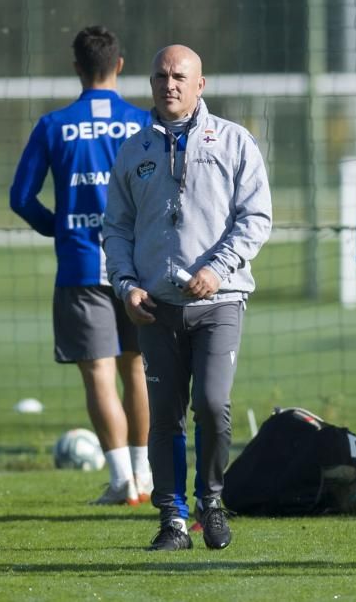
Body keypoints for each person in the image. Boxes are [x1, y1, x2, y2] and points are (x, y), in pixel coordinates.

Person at [102, 44, 272, 551]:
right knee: (165, 417)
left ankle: (211, 502)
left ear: (201, 85)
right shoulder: (134, 150)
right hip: (156, 308)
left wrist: (218, 270)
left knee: (214, 405)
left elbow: (256, 218)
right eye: (160, 76)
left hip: (220, 302)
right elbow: (116, 228)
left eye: (179, 76)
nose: (168, 84)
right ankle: (173, 519)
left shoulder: (235, 142)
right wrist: (127, 286)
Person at [10, 26, 153, 505]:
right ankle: (146, 476)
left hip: (82, 265)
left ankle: (120, 483)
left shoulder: (55, 126)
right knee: (138, 370)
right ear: (120, 64)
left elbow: (20, 197)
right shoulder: (141, 122)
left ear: (76, 67)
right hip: (137, 266)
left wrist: (59, 226)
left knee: (98, 375)